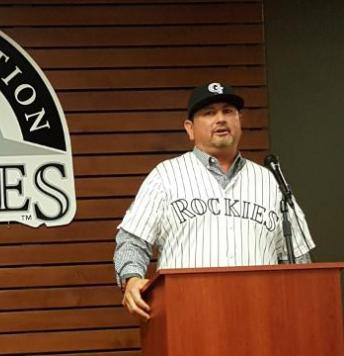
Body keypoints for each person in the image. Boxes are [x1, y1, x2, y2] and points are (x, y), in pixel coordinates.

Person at [113, 82, 315, 320]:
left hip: (262, 322)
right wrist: (132, 278)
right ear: (189, 128)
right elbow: (132, 241)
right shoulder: (165, 176)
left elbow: (298, 261)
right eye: (209, 113)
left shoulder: (269, 181)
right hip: (188, 319)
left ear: (239, 121)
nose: (220, 119)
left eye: (228, 111)